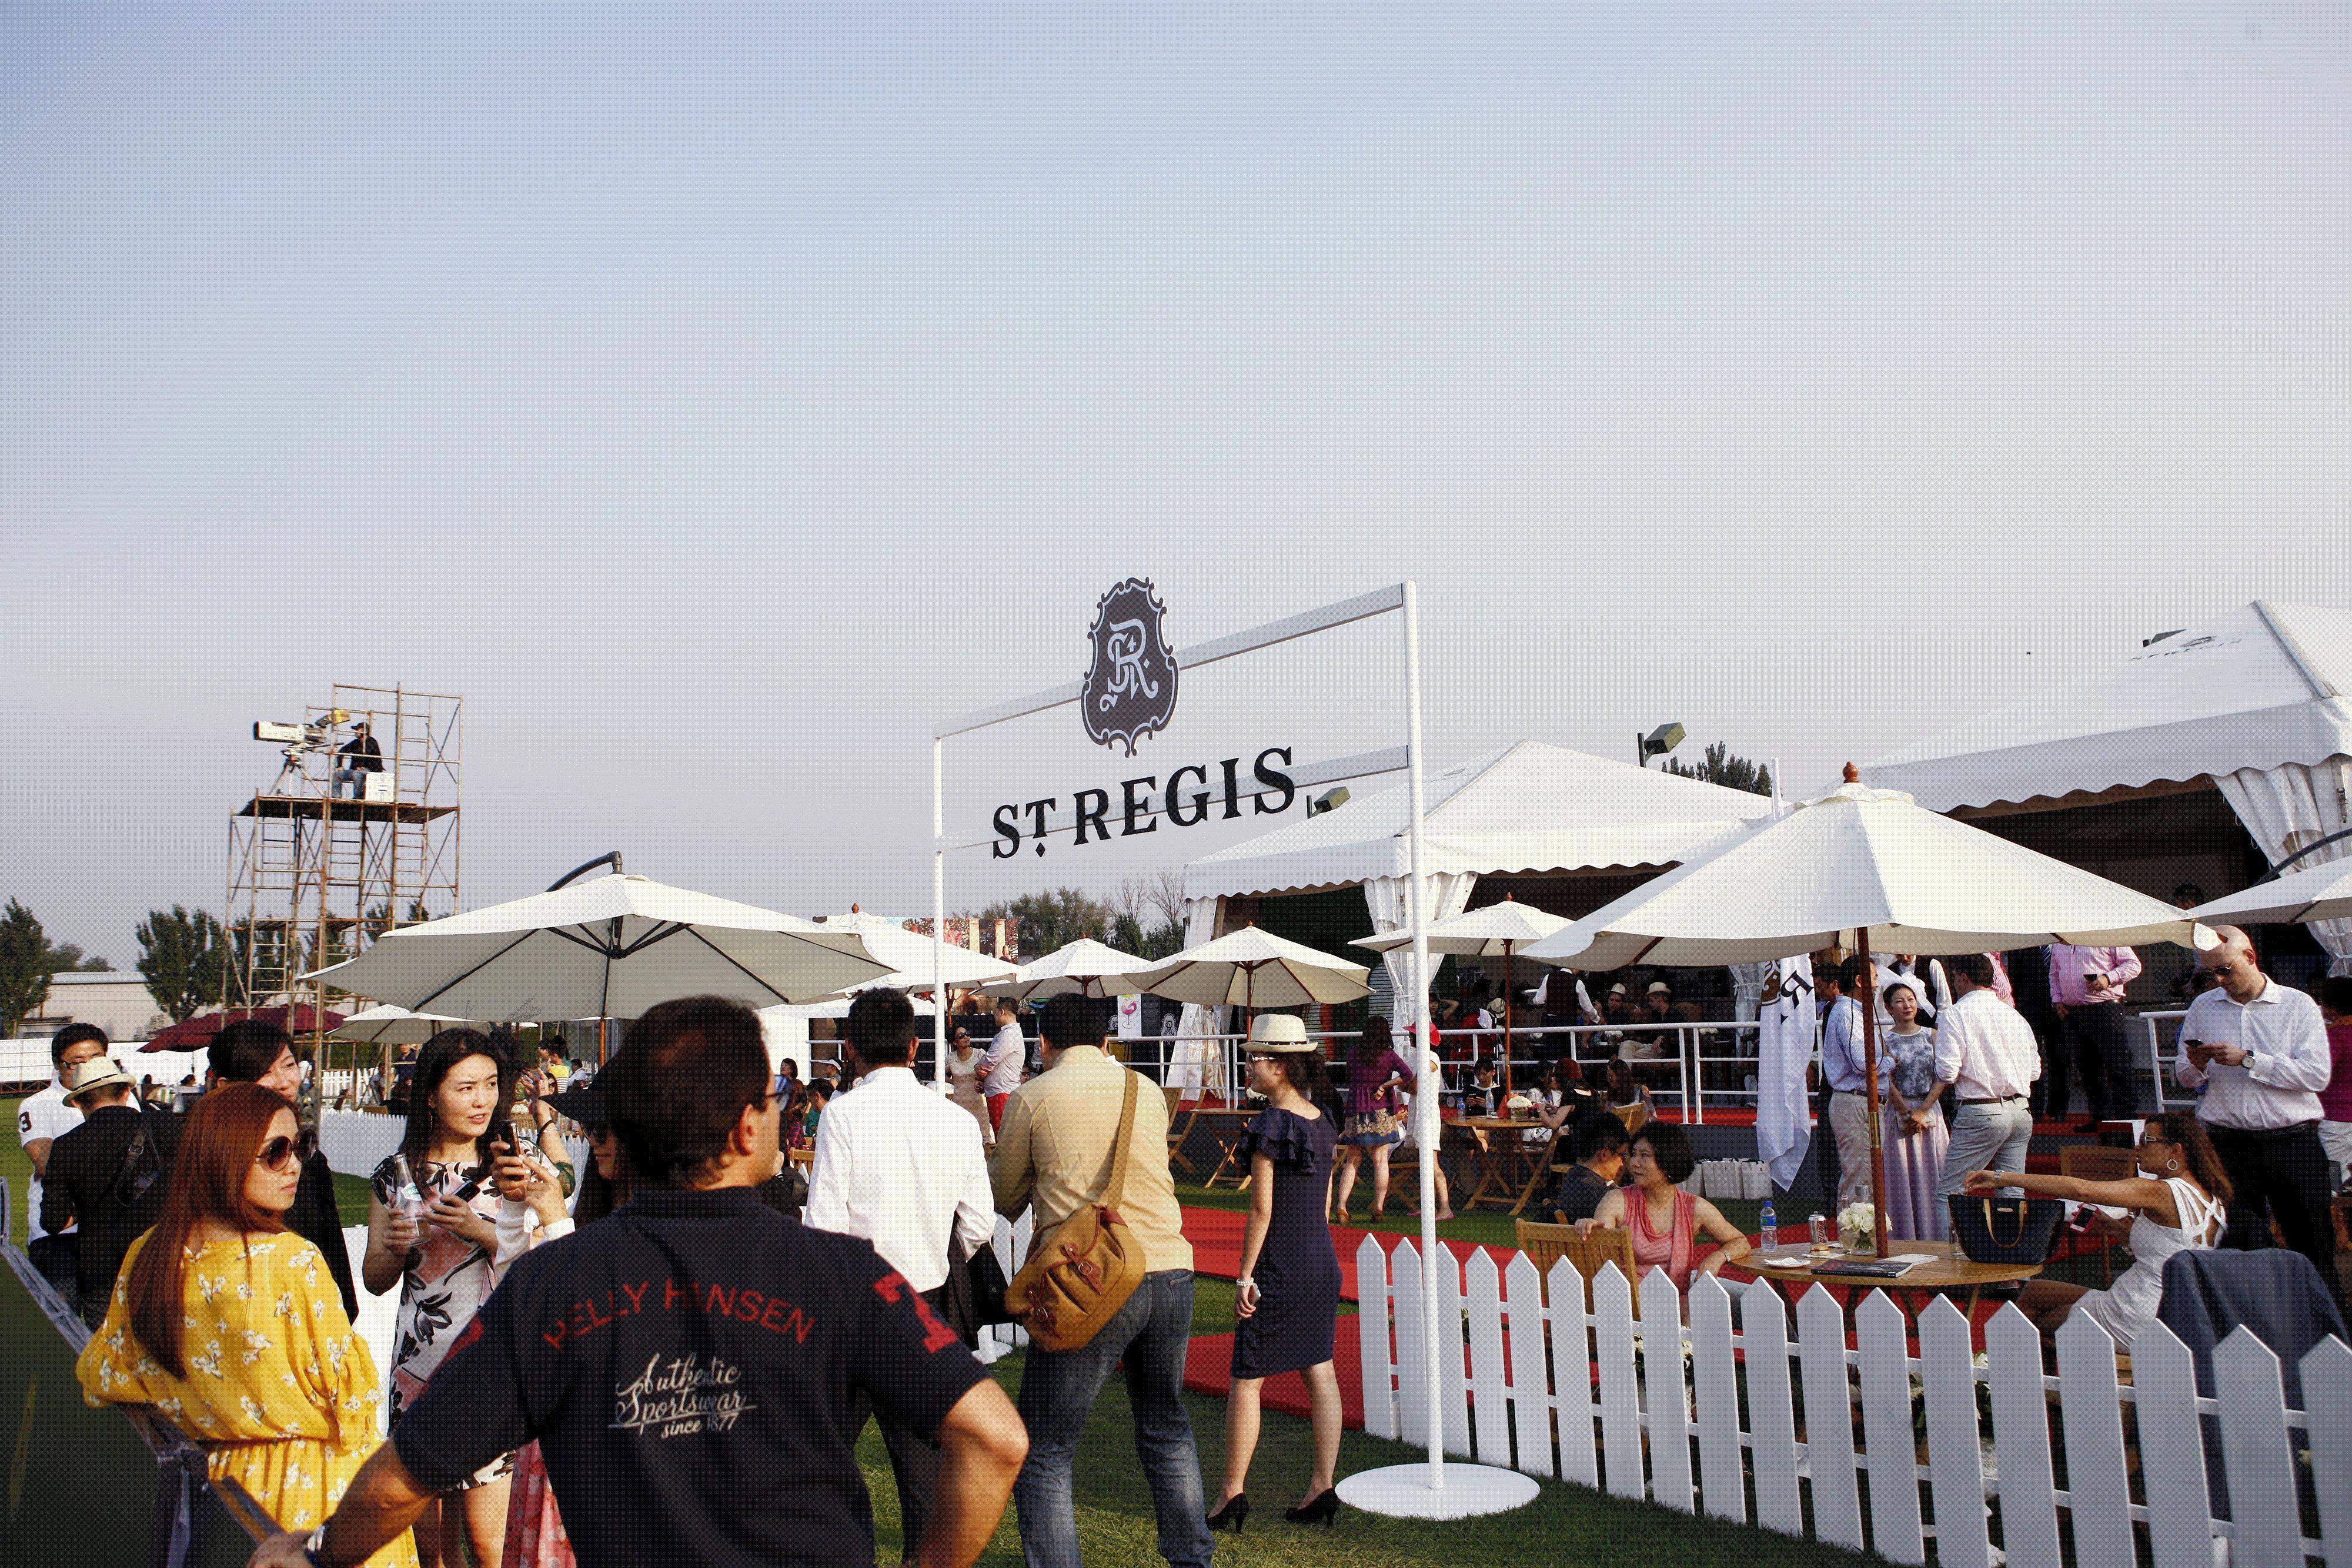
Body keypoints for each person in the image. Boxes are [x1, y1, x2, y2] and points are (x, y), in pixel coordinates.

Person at [245, 995, 1028, 1568]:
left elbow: (401, 1480)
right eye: (772, 1100)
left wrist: (312, 1553)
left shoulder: (554, 1281)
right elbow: (995, 1437)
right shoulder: (841, 1272)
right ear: (746, 1128)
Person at [81, 1084, 413, 1566]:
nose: (294, 1164)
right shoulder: (291, 1260)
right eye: (275, 1152)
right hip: (314, 1491)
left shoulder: (148, 1254)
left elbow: (108, 1373)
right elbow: (352, 1399)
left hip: (215, 1487)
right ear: (223, 1155)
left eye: (300, 1145)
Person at [990, 992, 1212, 1568]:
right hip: (1169, 1267)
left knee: (1046, 1447)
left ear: (1043, 1044)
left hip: (1088, 1280)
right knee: (1166, 1427)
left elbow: (1005, 1197)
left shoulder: (1033, 1097)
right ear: (1106, 1040)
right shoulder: (1145, 1090)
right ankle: (1192, 1559)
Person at [805, 988, 998, 1560]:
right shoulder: (954, 1119)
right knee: (921, 1478)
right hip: (924, 1307)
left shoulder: (842, 1113)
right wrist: (934, 1246)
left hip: (857, 1308)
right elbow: (979, 1222)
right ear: (914, 1047)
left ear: (850, 1048)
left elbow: (824, 1225)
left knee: (816, 1458)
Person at [362, 1029, 537, 1568]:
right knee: (431, 1543)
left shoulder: (515, 1165)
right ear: (430, 1096)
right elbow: (374, 1278)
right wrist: (397, 1249)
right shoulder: (396, 1174)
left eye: (491, 1084)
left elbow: (542, 1266)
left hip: (492, 1367)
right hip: (419, 1366)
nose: (482, 1100)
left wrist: (481, 1231)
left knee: (487, 1542)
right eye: (466, 1088)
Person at [1209, 1015, 1344, 1534]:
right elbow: (1324, 1206)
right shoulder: (1323, 1119)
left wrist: (1245, 1276)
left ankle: (1231, 1492)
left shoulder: (1270, 1124)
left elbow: (1261, 1211)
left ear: (1281, 1065)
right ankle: (1322, 1485)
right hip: (1322, 1262)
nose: (1249, 1065)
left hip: (1280, 1266)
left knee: (1248, 1378)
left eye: (1256, 1058)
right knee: (1321, 1373)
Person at [2174, 927, 2346, 1316]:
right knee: (2238, 1247)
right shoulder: (2203, 1006)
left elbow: (2317, 1075)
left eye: (2226, 969)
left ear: (2251, 957)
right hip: (2227, 1143)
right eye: (2210, 973)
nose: (2219, 980)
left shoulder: (2297, 1005)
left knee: (2313, 1247)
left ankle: (2331, 1334)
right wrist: (2196, 1065)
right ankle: (2254, 1331)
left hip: (2292, 1142)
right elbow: (2185, 1076)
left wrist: (2250, 1059)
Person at [1961, 1112, 2227, 1342]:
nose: (2137, 1147)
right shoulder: (2211, 1198)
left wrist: (2003, 1178)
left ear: (2175, 1151)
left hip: (2137, 1311)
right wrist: (2115, 1229)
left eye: (2147, 1141)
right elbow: (2170, 1253)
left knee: (2037, 1323)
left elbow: (2083, 1190)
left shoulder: (2162, 1191)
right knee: (2035, 1291)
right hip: (2175, 1308)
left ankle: (2019, 1374)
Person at [209, 1019, 360, 1320]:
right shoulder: (204, 1163)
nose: (283, 1082)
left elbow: (333, 1259)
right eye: (265, 1072)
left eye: (289, 1065)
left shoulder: (311, 1163)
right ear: (225, 1086)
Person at [41, 1055, 182, 1323]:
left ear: (78, 1102)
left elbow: (53, 1221)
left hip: (100, 1265)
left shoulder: (66, 1146)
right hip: (162, 1255)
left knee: (106, 1344)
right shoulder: (164, 1125)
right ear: (126, 1092)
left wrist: (88, 1205)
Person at [1575, 1123, 1750, 1293]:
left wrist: (1718, 1257)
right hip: (1628, 1302)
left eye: (1644, 1155)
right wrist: (1590, 1228)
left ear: (1669, 1161)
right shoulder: (1616, 1201)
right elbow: (1601, 1261)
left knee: (1749, 1299)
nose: (1634, 1163)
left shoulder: (1695, 1208)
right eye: (1634, 1154)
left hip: (1678, 1298)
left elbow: (1740, 1242)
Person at [1932, 954, 2040, 1206]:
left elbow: (1947, 1073)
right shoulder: (2014, 1015)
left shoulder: (1955, 1014)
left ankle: (1953, 1238)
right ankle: (2012, 1235)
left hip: (1982, 1110)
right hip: (2020, 1109)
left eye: (1954, 977)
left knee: (1950, 1194)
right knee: (2012, 1192)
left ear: (1963, 978)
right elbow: (2034, 1072)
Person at [19, 1022, 108, 1302]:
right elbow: (47, 1166)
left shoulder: (123, 1098)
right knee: (59, 1316)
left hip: (110, 1231)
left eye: (96, 1058)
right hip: (59, 1231)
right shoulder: (38, 1104)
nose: (87, 1068)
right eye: (76, 1062)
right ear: (58, 1064)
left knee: (109, 1320)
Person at [1876, 979, 1950, 1241]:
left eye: (1911, 999)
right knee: (1901, 1178)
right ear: (1888, 1008)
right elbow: (1885, 1080)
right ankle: (1904, 1237)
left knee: (1935, 1175)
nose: (1907, 1005)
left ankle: (1939, 1237)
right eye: (1899, 1001)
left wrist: (1922, 1111)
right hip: (1898, 1112)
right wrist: (1907, 1113)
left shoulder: (1933, 1035)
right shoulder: (1884, 1040)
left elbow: (1943, 1076)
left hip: (1931, 1110)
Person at [2047, 942, 2143, 1130]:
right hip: (2073, 1012)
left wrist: (2108, 978)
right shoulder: (2060, 943)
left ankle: (2127, 1117)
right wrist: (2057, 1000)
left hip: (2105, 1008)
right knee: (2087, 1068)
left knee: (2117, 1064)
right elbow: (2055, 975)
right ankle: (2100, 1117)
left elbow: (2133, 964)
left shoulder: (2103, 935)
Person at [1818, 957, 1876, 1209]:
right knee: (1860, 1177)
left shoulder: (1852, 1012)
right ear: (1860, 980)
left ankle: (1859, 1228)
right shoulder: (1847, 1014)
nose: (1877, 984)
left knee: (1866, 1174)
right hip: (1854, 1100)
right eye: (1874, 978)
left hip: (1859, 1100)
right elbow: (1863, 1063)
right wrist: (1890, 1061)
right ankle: (1854, 1230)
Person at [1548, 1114, 1630, 1224]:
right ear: (1605, 1154)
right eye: (1623, 1155)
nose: (1623, 1163)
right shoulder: (1602, 1197)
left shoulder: (1573, 1178)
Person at [2321, 976, 2352, 1187]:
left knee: (2333, 1187)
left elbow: (2316, 1075)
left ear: (2331, 1005)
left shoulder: (2334, 1036)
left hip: (2337, 1121)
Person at [980, 1002, 1026, 1133]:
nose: (994, 1016)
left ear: (1002, 1012)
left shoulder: (1009, 1034)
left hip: (1001, 1092)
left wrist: (978, 1067)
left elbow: (990, 1059)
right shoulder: (1009, 1033)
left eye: (995, 1013)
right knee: (1002, 1133)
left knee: (1002, 1134)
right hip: (1000, 1090)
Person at [945, 1027, 992, 1145]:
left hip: (979, 1103)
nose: (966, 1037)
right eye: (961, 1036)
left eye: (967, 1034)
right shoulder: (951, 1058)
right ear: (954, 1042)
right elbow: (938, 1075)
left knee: (984, 1138)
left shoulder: (979, 1054)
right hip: (960, 1104)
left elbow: (991, 1071)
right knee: (961, 1140)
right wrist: (955, 1082)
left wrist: (983, 1082)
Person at [334, 718, 383, 799]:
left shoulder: (371, 742)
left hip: (371, 770)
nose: (356, 731)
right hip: (357, 770)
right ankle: (336, 797)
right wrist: (340, 765)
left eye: (358, 730)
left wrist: (358, 766)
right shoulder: (356, 742)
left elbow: (366, 756)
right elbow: (342, 752)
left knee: (357, 774)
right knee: (336, 774)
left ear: (364, 731)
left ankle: (358, 798)